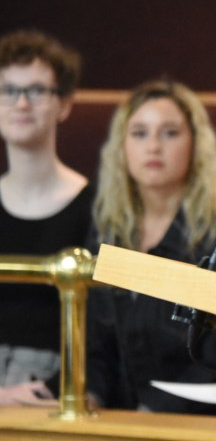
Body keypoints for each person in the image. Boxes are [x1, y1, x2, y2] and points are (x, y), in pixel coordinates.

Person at [86, 79, 216, 414]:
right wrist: (90, 394)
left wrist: (155, 409)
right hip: (113, 418)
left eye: (169, 133)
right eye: (139, 133)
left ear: (196, 145)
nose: (153, 146)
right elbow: (95, 341)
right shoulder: (107, 228)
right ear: (121, 147)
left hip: (194, 420)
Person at [0, 29, 92, 406]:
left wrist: (52, 389)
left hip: (58, 385)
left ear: (64, 104)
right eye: (8, 90)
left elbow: (105, 327)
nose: (21, 103)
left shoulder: (97, 207)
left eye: (37, 91)